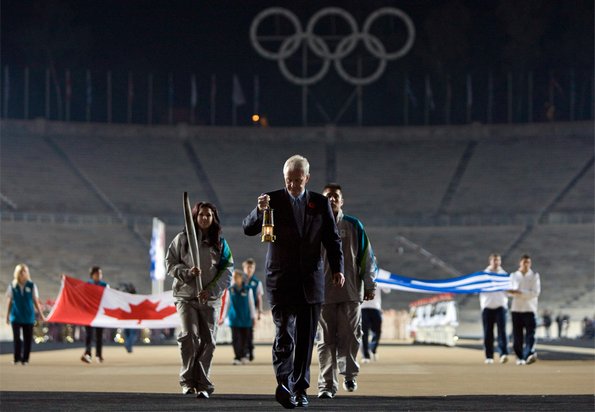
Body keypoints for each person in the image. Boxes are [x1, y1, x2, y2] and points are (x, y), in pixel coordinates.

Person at [243, 154, 344, 409]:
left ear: (307, 178)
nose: (293, 185)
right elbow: (248, 228)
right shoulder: (271, 200)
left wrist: (338, 269)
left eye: (298, 180)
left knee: (305, 338)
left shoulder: (320, 204)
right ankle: (283, 383)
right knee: (284, 334)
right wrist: (259, 211)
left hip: (311, 281)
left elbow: (332, 240)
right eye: (289, 180)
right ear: (284, 178)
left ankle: (300, 389)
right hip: (280, 280)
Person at [166, 201, 233, 398]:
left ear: (214, 219)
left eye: (208, 215)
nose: (204, 218)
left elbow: (227, 270)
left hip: (210, 299)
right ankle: (187, 381)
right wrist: (187, 272)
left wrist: (211, 289)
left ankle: (203, 384)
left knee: (209, 341)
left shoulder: (220, 243)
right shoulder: (182, 240)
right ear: (194, 217)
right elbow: (169, 264)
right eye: (201, 215)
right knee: (189, 336)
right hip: (185, 296)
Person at [317, 183, 377, 399]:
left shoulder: (353, 225)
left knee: (351, 336)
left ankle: (349, 374)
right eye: (327, 197)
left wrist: (369, 284)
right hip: (322, 293)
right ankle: (326, 385)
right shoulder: (314, 225)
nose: (331, 199)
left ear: (342, 201)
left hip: (351, 292)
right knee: (325, 340)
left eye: (335, 196)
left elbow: (367, 257)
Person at [5, 263, 46, 365]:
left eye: (24, 271)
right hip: (16, 316)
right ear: (17, 273)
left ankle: (25, 359)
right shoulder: (12, 286)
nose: (23, 273)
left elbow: (36, 301)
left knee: (28, 338)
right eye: (21, 271)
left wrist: (41, 314)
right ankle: (16, 358)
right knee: (17, 338)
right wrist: (7, 316)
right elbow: (9, 302)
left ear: (27, 273)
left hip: (28, 316)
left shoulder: (32, 285)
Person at [508, 254, 541, 365]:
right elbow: (508, 291)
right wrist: (515, 292)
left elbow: (535, 293)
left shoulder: (534, 276)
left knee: (530, 334)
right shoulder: (513, 276)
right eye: (524, 262)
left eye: (528, 263)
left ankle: (529, 354)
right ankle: (519, 356)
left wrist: (520, 293)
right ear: (520, 263)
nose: (526, 265)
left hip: (530, 309)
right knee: (517, 335)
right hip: (516, 309)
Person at [479, 253, 509, 364]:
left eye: (498, 260)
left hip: (500, 307)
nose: (496, 263)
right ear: (490, 261)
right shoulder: (483, 276)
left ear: (500, 262)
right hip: (487, 307)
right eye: (494, 260)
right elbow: (477, 289)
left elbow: (509, 291)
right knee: (488, 333)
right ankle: (489, 356)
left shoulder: (504, 275)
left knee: (502, 332)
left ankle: (503, 354)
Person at [225, 269, 256, 365]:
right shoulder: (230, 290)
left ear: (241, 278)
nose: (234, 278)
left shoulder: (248, 289)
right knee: (236, 339)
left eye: (236, 277)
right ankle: (237, 357)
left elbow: (251, 304)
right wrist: (224, 318)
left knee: (245, 338)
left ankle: (244, 355)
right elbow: (227, 304)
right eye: (233, 277)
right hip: (234, 319)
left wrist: (253, 317)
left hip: (246, 319)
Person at [81, 266, 109, 364]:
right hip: (89, 314)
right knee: (89, 335)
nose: (99, 276)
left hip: (100, 314)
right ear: (92, 275)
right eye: (97, 274)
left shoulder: (105, 285)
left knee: (99, 335)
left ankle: (99, 355)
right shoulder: (88, 284)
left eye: (100, 274)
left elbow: (109, 298)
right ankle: (88, 353)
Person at [360, 285, 390, 363]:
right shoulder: (359, 275)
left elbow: (387, 290)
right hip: (362, 308)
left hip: (376, 308)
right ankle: (366, 355)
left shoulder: (378, 276)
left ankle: (372, 348)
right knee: (364, 333)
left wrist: (383, 278)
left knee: (377, 331)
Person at [243, 258, 264, 361]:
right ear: (244, 268)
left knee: (249, 332)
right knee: (240, 332)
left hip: (251, 311)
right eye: (247, 267)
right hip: (240, 311)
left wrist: (259, 312)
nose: (249, 269)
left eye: (251, 267)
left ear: (254, 269)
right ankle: (243, 352)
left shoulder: (257, 282)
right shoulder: (239, 281)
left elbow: (259, 298)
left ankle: (249, 351)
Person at [122, 283, 138, 353]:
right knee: (131, 334)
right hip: (131, 318)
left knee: (128, 334)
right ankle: (128, 345)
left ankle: (128, 346)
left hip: (128, 318)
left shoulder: (126, 298)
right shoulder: (135, 298)